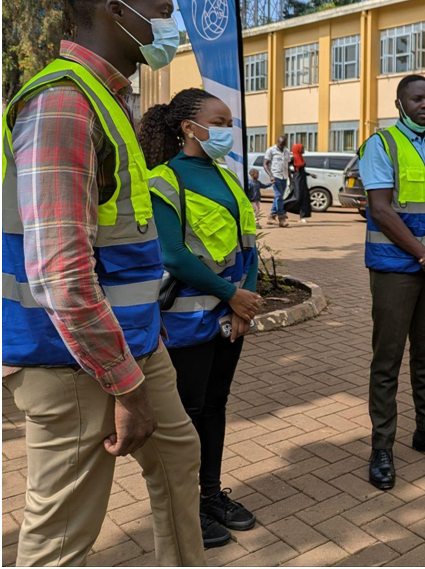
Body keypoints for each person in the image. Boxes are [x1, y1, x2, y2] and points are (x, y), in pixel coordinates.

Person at [1, 0, 205, 566]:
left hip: (133, 344)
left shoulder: (106, 99)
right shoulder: (66, 104)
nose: (172, 28)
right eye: (162, 13)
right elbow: (61, 273)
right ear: (119, 12)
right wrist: (124, 383)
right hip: (75, 363)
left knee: (177, 458)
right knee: (61, 538)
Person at [138, 88, 263, 549]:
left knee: (215, 407)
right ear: (190, 128)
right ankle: (184, 507)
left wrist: (244, 300)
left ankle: (211, 495)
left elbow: (249, 241)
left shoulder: (229, 178)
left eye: (231, 122)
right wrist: (234, 295)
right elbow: (172, 254)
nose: (229, 130)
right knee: (186, 416)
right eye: (221, 121)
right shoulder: (164, 181)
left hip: (230, 319)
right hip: (188, 323)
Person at [358, 74, 425, 490]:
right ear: (400, 103)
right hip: (394, 269)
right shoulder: (381, 145)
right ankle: (382, 446)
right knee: (387, 360)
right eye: (417, 99)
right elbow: (381, 210)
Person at [263, 135, 291, 227]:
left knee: (278, 197)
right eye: (280, 144)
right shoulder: (271, 150)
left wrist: (291, 178)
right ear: (277, 142)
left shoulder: (287, 151)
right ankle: (281, 218)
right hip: (276, 176)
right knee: (279, 197)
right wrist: (271, 176)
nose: (282, 146)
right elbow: (265, 164)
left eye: (284, 145)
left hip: (284, 177)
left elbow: (288, 165)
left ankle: (271, 216)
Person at [284, 142, 313, 223]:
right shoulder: (293, 158)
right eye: (301, 148)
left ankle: (302, 216)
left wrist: (310, 174)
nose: (303, 149)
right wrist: (290, 175)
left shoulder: (301, 157)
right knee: (297, 196)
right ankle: (282, 207)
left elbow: (302, 170)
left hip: (303, 179)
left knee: (304, 198)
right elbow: (286, 167)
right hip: (297, 179)